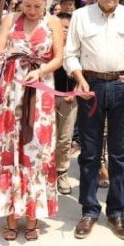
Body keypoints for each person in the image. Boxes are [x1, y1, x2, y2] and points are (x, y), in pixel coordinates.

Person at [65, 0, 124, 241]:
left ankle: (116, 211)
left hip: (122, 87)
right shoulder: (81, 15)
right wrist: (78, 78)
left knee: (119, 154)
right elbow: (70, 54)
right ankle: (89, 210)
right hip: (89, 86)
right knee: (89, 154)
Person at [0, 0, 65, 241]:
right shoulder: (9, 19)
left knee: (36, 150)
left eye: (37, 6)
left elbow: (58, 58)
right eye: (28, 5)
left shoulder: (52, 22)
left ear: (46, 4)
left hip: (40, 92)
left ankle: (33, 216)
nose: (32, 10)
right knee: (10, 149)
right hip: (11, 92)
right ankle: (10, 214)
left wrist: (40, 70)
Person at [52, 11, 77, 195]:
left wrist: (75, 92)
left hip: (70, 98)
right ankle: (46, 173)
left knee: (64, 139)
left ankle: (62, 174)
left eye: (68, 27)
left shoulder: (77, 49)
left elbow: (84, 72)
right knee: (47, 138)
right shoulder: (48, 48)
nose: (65, 31)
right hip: (48, 97)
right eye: (61, 27)